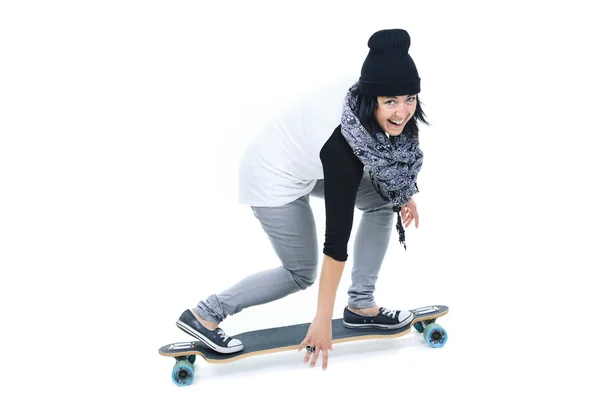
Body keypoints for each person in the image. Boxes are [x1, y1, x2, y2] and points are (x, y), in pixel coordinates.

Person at [175, 28, 429, 370]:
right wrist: (322, 319)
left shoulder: (369, 92)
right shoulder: (342, 146)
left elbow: (388, 157)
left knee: (383, 201)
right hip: (272, 175)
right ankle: (204, 314)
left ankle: (361, 306)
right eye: (391, 103)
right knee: (300, 272)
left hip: (308, 165)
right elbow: (336, 240)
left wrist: (401, 191)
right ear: (373, 100)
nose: (402, 112)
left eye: (409, 99)